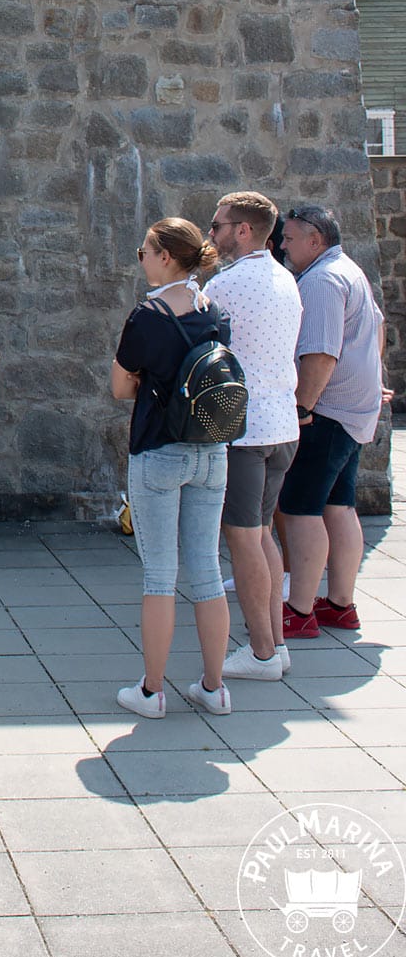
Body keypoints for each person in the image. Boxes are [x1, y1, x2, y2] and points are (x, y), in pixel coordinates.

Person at [111, 217, 232, 718]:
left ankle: (152, 691)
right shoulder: (213, 310)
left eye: (144, 251)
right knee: (207, 568)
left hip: (159, 449)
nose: (140, 258)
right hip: (211, 449)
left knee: (160, 576)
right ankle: (214, 687)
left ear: (164, 256)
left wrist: (149, 383)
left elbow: (120, 387)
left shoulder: (148, 315)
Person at [208, 191, 302, 681]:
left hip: (244, 430)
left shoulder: (227, 284)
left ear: (243, 230)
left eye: (218, 226)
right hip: (282, 423)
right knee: (262, 535)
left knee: (244, 540)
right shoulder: (286, 278)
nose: (211, 234)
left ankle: (262, 652)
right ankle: (275, 645)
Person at [278, 204, 384, 638]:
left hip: (326, 413)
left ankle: (299, 611)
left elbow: (321, 354)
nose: (282, 245)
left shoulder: (321, 280)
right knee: (339, 507)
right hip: (352, 412)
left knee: (300, 509)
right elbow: (377, 330)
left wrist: (302, 408)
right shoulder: (348, 270)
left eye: (289, 238)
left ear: (315, 240)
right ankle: (340, 604)